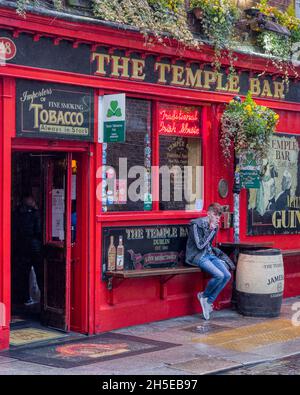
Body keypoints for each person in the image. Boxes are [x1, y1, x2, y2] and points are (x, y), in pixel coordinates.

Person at [186, 202, 235, 320]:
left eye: (219, 216)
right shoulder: (196, 225)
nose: (218, 219)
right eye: (216, 215)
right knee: (218, 275)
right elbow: (199, 245)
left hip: (209, 254)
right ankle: (204, 297)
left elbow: (209, 245)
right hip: (197, 256)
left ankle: (207, 300)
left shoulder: (215, 226)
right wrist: (211, 230)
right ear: (208, 214)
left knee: (227, 275)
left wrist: (212, 229)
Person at [13, 195, 42, 306]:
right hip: (34, 247)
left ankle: (25, 297)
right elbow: (38, 230)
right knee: (39, 273)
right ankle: (43, 298)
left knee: (23, 274)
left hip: (21, 247)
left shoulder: (17, 215)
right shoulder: (36, 214)